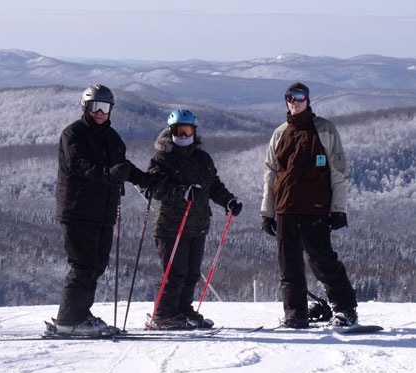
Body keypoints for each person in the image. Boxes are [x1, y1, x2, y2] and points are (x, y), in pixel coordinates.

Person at [54, 84, 157, 335]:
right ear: (85, 107)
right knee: (82, 265)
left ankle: (80, 312)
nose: (100, 113)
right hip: (78, 209)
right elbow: (79, 165)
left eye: (105, 107)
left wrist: (145, 180)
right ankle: (68, 320)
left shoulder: (113, 138)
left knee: (97, 264)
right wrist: (108, 174)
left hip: (104, 211)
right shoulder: (73, 134)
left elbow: (122, 168)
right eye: (94, 107)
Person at [260, 82, 358, 328]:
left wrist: (339, 209)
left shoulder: (325, 129)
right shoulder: (280, 133)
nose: (295, 102)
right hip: (285, 208)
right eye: (291, 98)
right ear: (286, 101)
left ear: (308, 99)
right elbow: (270, 174)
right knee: (289, 264)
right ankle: (295, 315)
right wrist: (267, 211)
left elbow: (339, 170)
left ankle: (345, 309)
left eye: (300, 97)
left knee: (322, 261)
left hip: (314, 207)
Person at [147, 109, 243, 328]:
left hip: (197, 224)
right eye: (177, 131)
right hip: (171, 225)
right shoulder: (162, 158)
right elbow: (155, 188)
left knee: (191, 272)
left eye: (187, 130)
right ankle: (163, 314)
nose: (182, 135)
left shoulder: (202, 158)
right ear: (169, 132)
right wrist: (181, 192)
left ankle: (182, 309)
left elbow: (214, 185)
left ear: (194, 131)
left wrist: (228, 201)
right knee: (175, 271)